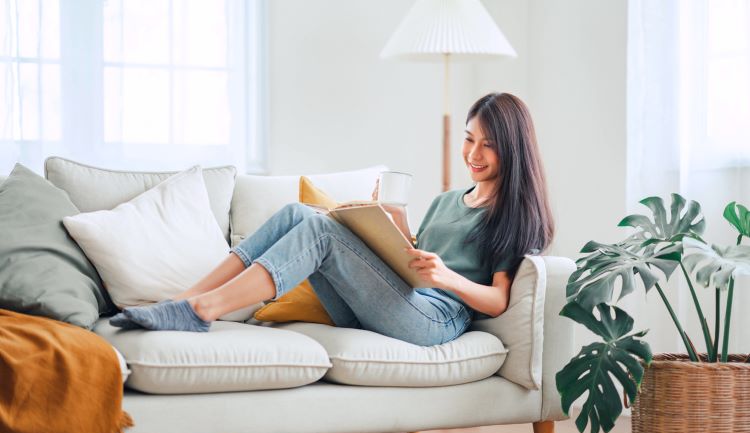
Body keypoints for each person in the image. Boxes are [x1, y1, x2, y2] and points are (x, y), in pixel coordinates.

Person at [111, 93, 554, 346]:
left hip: (436, 320)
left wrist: (446, 278)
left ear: (512, 148)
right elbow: (412, 260)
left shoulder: (513, 215)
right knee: (297, 213)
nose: (473, 155)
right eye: (469, 140)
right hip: (399, 301)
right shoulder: (447, 200)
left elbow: (497, 301)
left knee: (321, 231)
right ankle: (185, 300)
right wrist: (392, 223)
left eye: (488, 145)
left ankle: (200, 311)